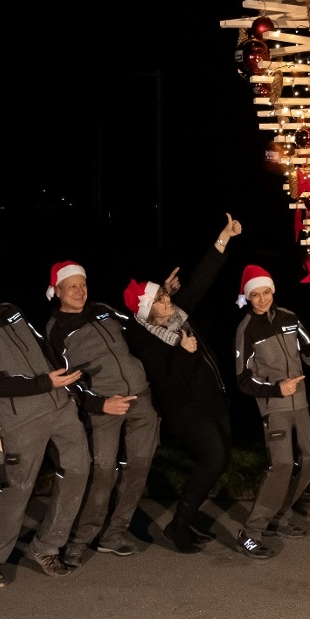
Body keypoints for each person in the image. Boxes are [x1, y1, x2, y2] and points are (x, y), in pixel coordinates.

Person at [0, 251, 90, 587]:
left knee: (79, 470)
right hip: (20, 421)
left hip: (59, 407)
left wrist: (64, 385)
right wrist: (44, 382)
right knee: (17, 489)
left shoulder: (10, 310)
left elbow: (41, 347)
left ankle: (47, 547)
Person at [44, 261, 180, 567]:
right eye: (72, 286)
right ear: (58, 291)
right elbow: (65, 383)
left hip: (141, 398)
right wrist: (100, 404)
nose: (80, 291)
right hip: (104, 407)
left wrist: (161, 296)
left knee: (139, 466)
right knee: (103, 472)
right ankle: (80, 539)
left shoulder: (103, 309)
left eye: (83, 284)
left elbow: (139, 322)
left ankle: (114, 533)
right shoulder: (55, 330)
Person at [124, 213, 242, 554]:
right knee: (214, 458)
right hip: (187, 411)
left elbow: (202, 279)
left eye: (165, 296)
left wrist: (223, 238)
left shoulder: (177, 315)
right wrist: (185, 351)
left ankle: (183, 523)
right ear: (148, 313)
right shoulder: (147, 341)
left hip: (213, 400)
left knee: (220, 460)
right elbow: (171, 383)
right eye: (160, 300)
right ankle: (178, 527)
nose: (168, 302)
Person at [232, 264, 310, 559]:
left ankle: (278, 517)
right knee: (282, 466)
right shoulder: (246, 330)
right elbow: (242, 380)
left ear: (272, 290)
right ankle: (250, 532)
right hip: (275, 407)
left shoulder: (288, 317)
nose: (262, 299)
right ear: (248, 297)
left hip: (301, 403)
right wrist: (276, 389)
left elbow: (308, 348)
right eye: (256, 295)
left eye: (266, 292)